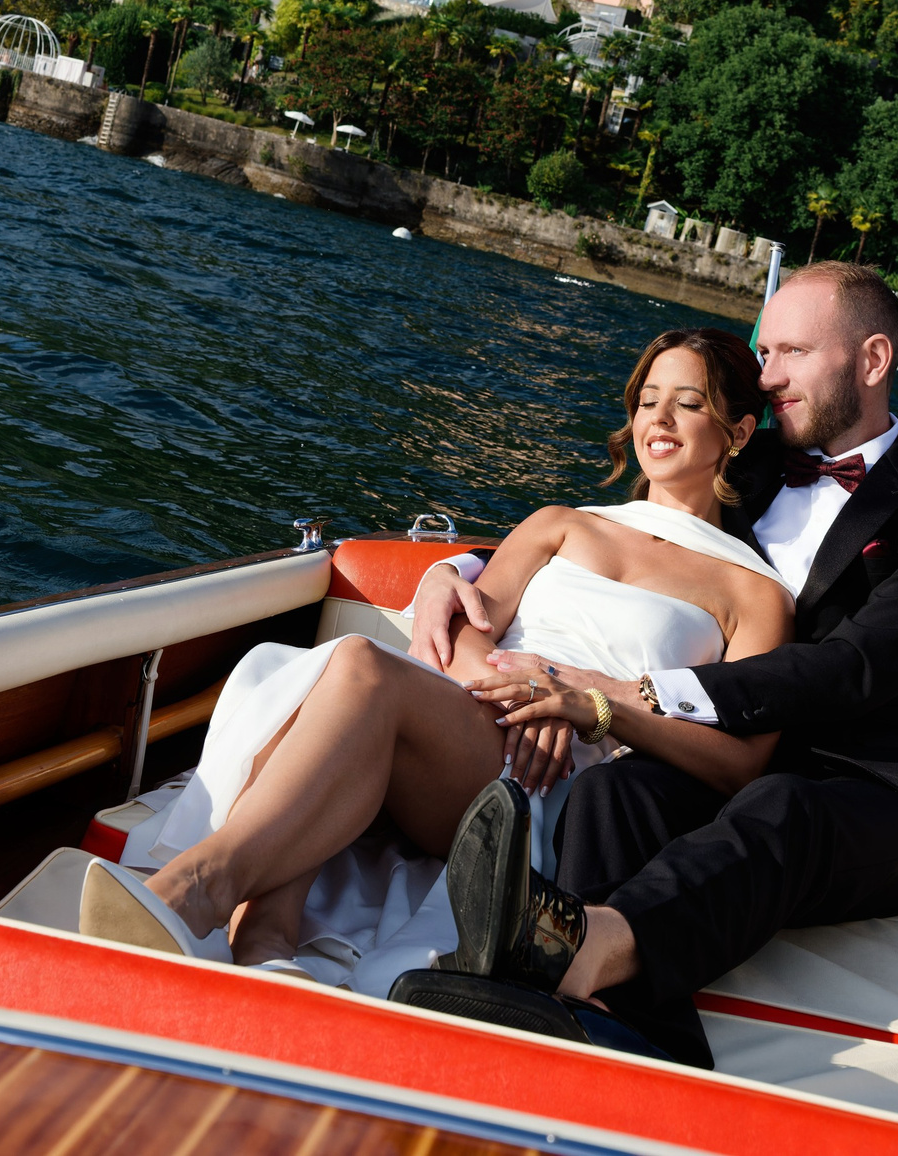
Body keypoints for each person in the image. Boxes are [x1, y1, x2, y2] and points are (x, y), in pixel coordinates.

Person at [397, 261, 898, 1065]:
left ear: (871, 361)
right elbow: (634, 540)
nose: (766, 376)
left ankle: (573, 958)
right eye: (764, 354)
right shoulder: (748, 467)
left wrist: (636, 693)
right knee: (611, 791)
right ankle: (627, 1030)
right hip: (714, 761)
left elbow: (856, 666)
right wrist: (460, 572)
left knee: (784, 806)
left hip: (864, 790)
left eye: (791, 352)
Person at [72, 327, 797, 996]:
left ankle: (193, 891)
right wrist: (520, 693)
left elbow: (737, 761)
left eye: (688, 403)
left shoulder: (753, 594)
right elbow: (474, 629)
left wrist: (591, 708)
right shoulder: (560, 525)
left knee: (358, 668)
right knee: (348, 674)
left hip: (559, 777)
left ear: (736, 431)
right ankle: (262, 936)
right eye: (647, 400)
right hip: (484, 717)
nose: (659, 420)